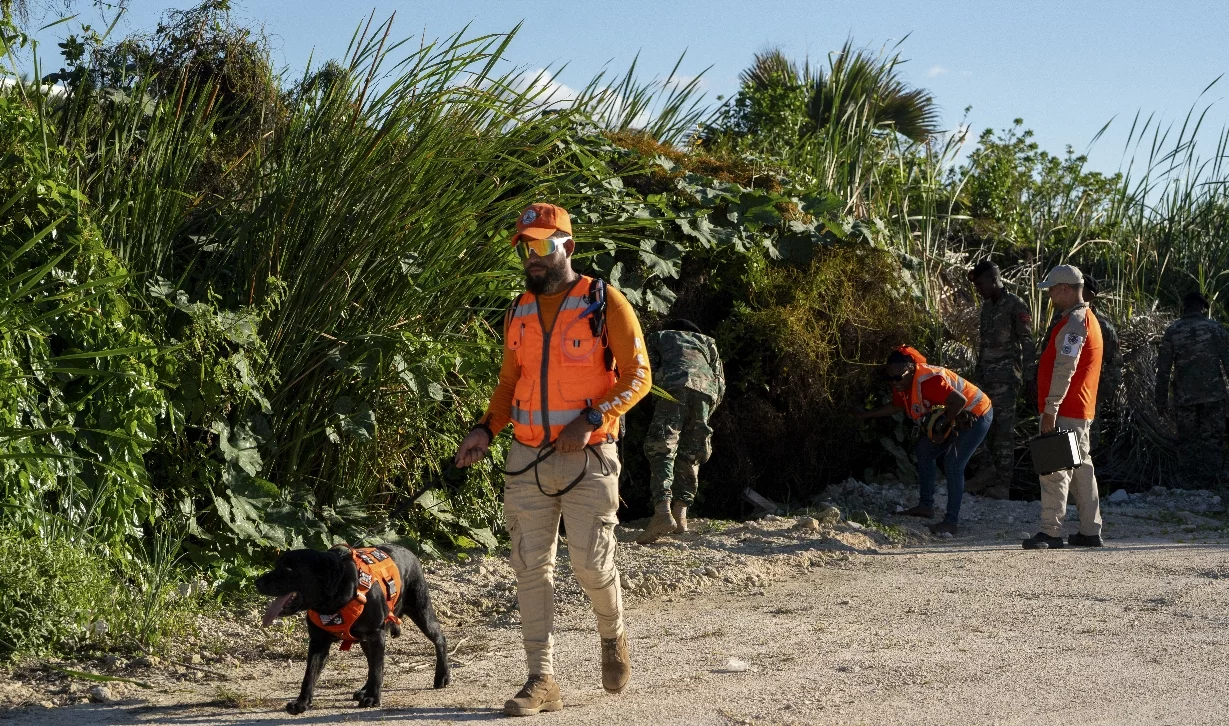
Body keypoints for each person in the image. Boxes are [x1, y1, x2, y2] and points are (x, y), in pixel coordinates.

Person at [453, 203, 652, 716]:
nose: (533, 257)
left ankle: (613, 635)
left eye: (543, 245)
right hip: (526, 459)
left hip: (589, 458)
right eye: (526, 247)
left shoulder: (604, 301)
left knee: (589, 563)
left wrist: (590, 418)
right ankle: (542, 680)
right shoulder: (517, 309)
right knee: (529, 568)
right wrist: (484, 429)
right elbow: (507, 385)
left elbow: (638, 376)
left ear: (568, 246)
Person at [854, 345, 994, 537]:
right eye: (889, 378)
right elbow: (896, 405)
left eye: (897, 377)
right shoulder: (903, 383)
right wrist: (867, 415)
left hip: (976, 414)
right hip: (955, 416)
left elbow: (959, 401)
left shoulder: (929, 381)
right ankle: (926, 506)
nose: (894, 382)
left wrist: (943, 428)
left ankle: (950, 522)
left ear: (910, 370)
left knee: (953, 465)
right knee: (923, 452)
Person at [1023, 264, 1104, 550]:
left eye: (1053, 290)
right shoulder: (1085, 319)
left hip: (1066, 408)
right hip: (1079, 408)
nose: (1050, 296)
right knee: (1082, 468)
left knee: (1055, 468)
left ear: (1066, 289)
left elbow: (1064, 368)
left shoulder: (1074, 323)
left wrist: (1050, 408)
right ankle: (1089, 531)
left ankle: (1051, 532)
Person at [637, 319, 725, 544]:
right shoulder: (708, 342)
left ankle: (663, 512)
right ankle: (681, 514)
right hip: (706, 392)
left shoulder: (659, 336)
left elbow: (646, 370)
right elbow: (720, 382)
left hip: (673, 387)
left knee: (662, 446)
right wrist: (705, 411)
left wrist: (655, 400)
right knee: (693, 450)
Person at [967, 260, 1035, 499]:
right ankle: (987, 471)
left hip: (1006, 379)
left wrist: (1030, 379)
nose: (979, 289)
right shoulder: (987, 307)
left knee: (1003, 432)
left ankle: (1003, 486)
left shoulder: (1015, 305)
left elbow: (1028, 343)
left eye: (981, 284)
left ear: (994, 280)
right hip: (985, 376)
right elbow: (984, 345)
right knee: (976, 423)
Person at [1033, 276, 1122, 452]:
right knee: (1071, 456)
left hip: (1081, 399)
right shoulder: (1063, 319)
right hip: (1059, 398)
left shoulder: (1096, 324)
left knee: (1079, 452)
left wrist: (1098, 394)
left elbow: (1114, 365)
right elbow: (1048, 354)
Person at [1155, 291, 1229, 489]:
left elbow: (1163, 370)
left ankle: (1190, 486)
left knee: (1188, 441)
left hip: (1185, 398)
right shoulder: (1216, 329)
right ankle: (1213, 483)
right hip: (1214, 397)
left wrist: (1160, 400)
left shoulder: (1173, 330)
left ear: (1184, 307)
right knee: (1213, 440)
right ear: (1203, 308)